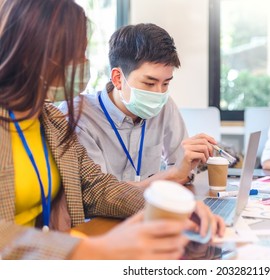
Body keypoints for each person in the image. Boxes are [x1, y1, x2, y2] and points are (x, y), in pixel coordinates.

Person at [0, 0, 224, 260]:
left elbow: (97, 188)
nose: (84, 64)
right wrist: (88, 250)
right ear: (33, 54)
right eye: (75, 54)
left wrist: (175, 208)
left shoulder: (51, 121)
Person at [59, 23, 215, 186]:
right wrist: (174, 174)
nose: (158, 93)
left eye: (166, 83)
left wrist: (189, 162)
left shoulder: (164, 105)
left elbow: (183, 171)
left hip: (151, 208)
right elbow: (101, 195)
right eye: (149, 83)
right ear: (118, 78)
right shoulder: (80, 116)